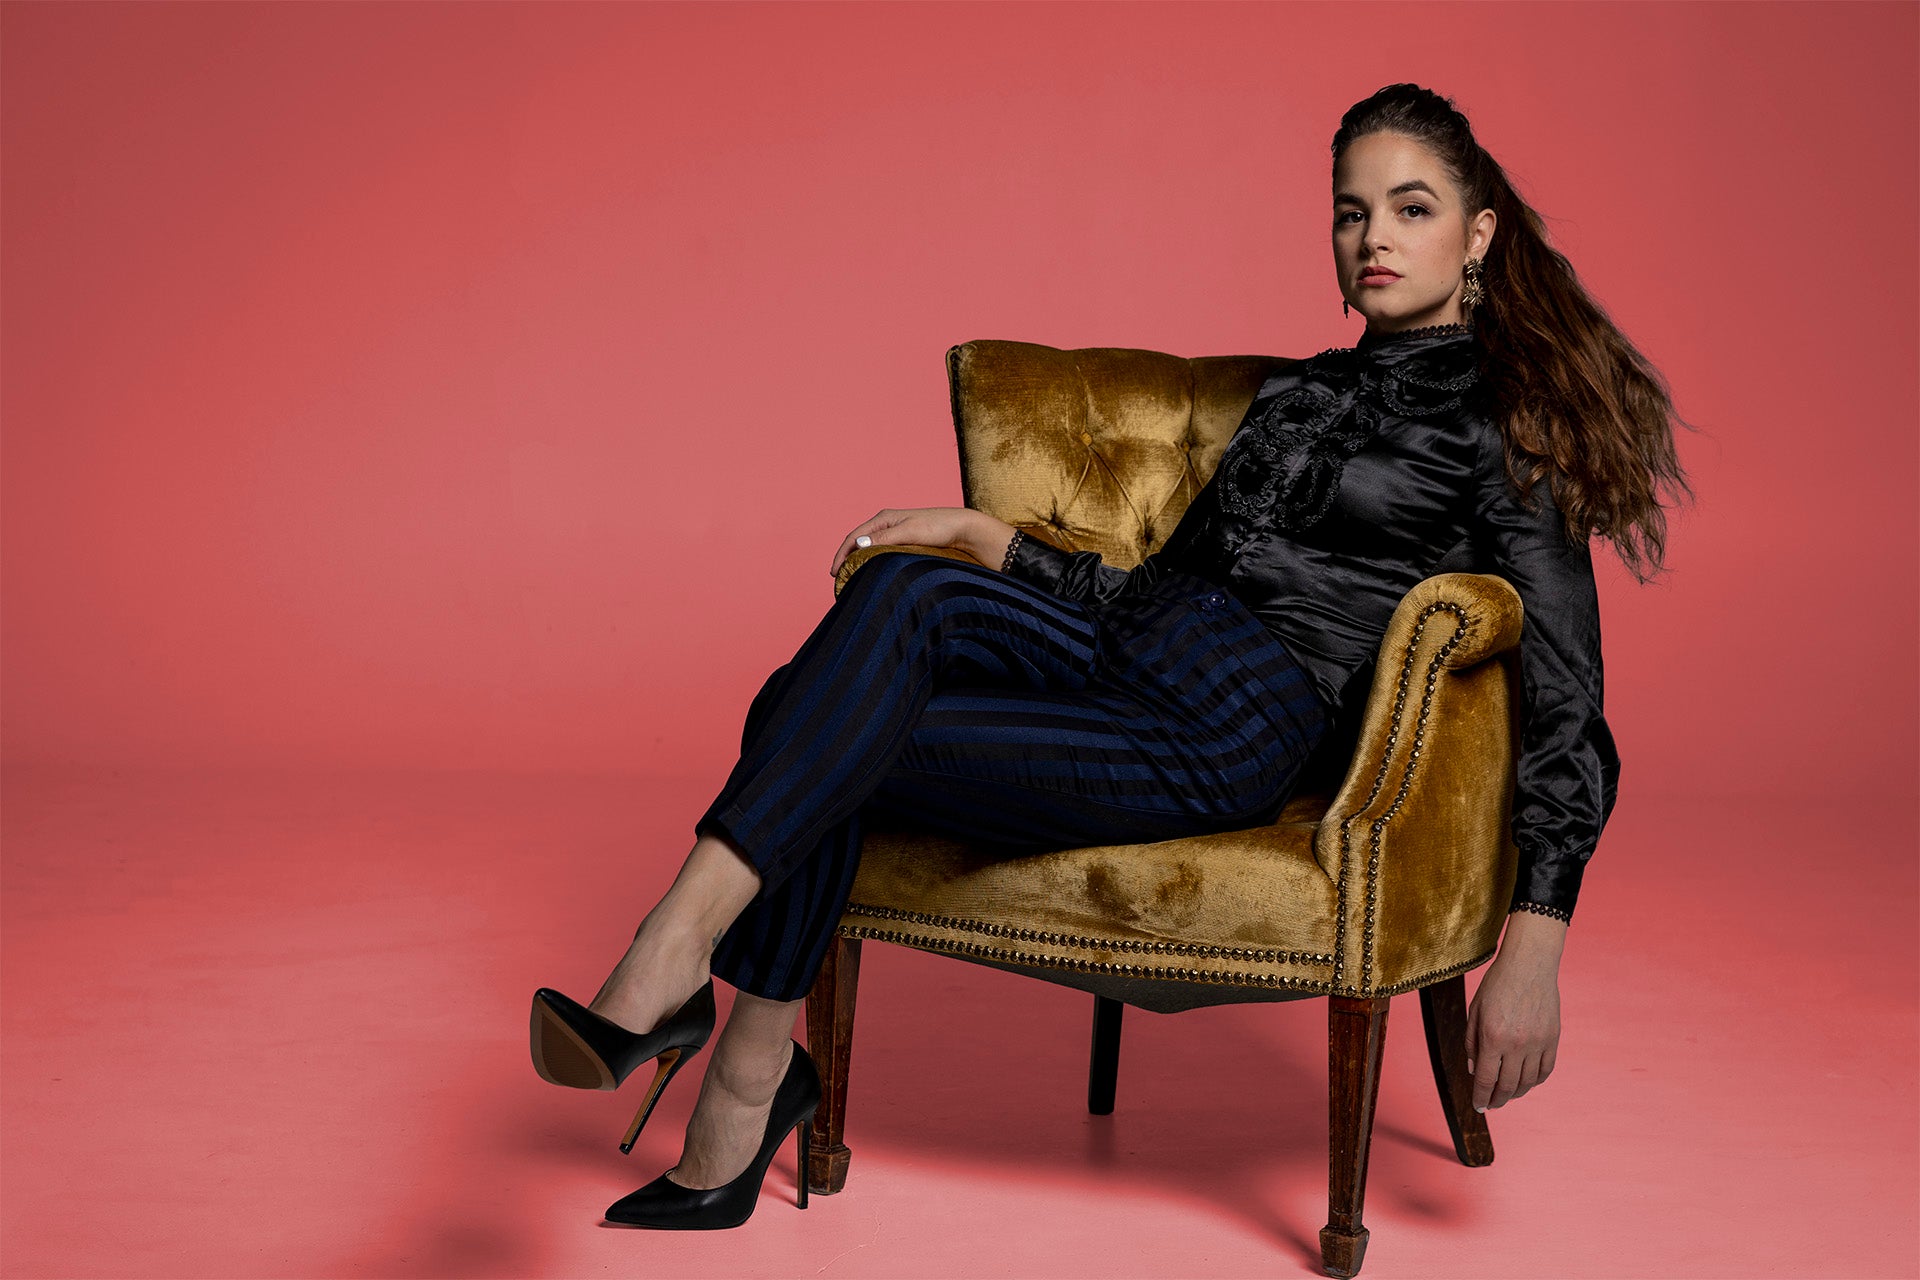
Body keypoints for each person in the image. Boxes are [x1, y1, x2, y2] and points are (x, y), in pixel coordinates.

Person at [527, 82, 1696, 1232]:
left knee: (809, 717)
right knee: (896, 597)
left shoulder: (1506, 421)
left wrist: (1537, 934)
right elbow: (1159, 585)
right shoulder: (1297, 392)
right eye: (1352, 211)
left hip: (1231, 720)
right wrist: (987, 538)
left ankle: (716, 1033)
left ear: (1477, 234)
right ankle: (713, 1014)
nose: (1373, 237)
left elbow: (1566, 687)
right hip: (1127, 642)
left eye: (1411, 208)